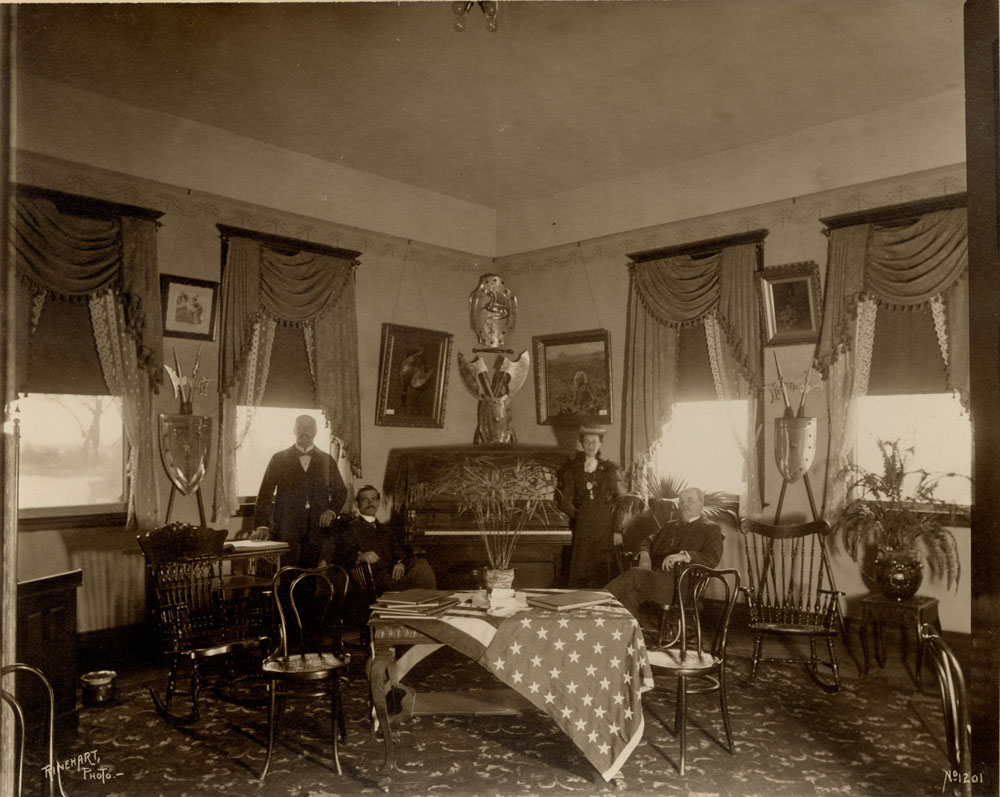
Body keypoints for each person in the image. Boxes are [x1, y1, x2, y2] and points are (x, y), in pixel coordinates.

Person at [605, 487, 724, 627]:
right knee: (627, 597)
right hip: (657, 581)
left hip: (681, 587)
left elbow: (712, 558)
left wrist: (684, 556)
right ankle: (632, 636)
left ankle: (593, 600)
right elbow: (647, 541)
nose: (684, 505)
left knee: (634, 575)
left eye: (690, 500)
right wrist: (644, 554)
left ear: (701, 504)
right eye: (682, 501)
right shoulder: (670, 525)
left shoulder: (711, 528)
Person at [251, 414, 347, 569]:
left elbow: (341, 492)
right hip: (285, 528)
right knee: (285, 572)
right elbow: (265, 495)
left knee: (309, 576)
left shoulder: (326, 460)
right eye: (301, 427)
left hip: (316, 529)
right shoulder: (279, 459)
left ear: (315, 431)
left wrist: (330, 511)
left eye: (309, 427)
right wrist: (262, 525)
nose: (305, 431)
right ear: (294, 430)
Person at [333, 485, 436, 593]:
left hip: (392, 574)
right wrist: (359, 557)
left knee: (421, 566)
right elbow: (338, 558)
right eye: (365, 500)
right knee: (411, 583)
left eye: (374, 499)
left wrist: (401, 563)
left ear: (378, 502)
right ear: (357, 504)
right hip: (373, 580)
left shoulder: (386, 529)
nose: (370, 503)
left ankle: (429, 605)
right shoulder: (350, 528)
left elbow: (399, 552)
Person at [557, 426, 623, 588]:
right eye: (586, 442)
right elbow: (565, 501)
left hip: (605, 525)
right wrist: (580, 516)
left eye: (594, 442)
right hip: (583, 525)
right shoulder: (573, 469)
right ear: (582, 444)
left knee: (603, 568)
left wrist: (617, 530)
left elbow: (618, 501)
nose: (590, 446)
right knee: (582, 565)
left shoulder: (608, 470)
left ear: (600, 444)